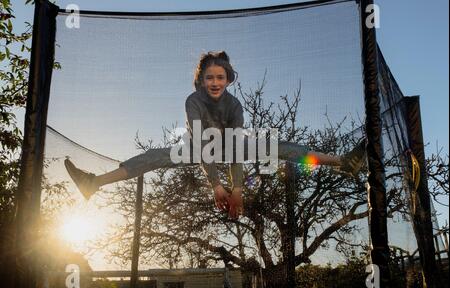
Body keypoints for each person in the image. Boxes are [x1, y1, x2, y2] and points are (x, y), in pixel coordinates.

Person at [64, 51, 366, 219]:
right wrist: (216, 185)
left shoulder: (234, 105)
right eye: (209, 77)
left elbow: (235, 148)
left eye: (220, 77)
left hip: (233, 146)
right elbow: (199, 143)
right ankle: (93, 183)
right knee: (153, 156)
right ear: (201, 80)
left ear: (228, 80)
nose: (215, 82)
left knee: (279, 147)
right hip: (198, 146)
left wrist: (237, 190)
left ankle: (344, 161)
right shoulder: (192, 101)